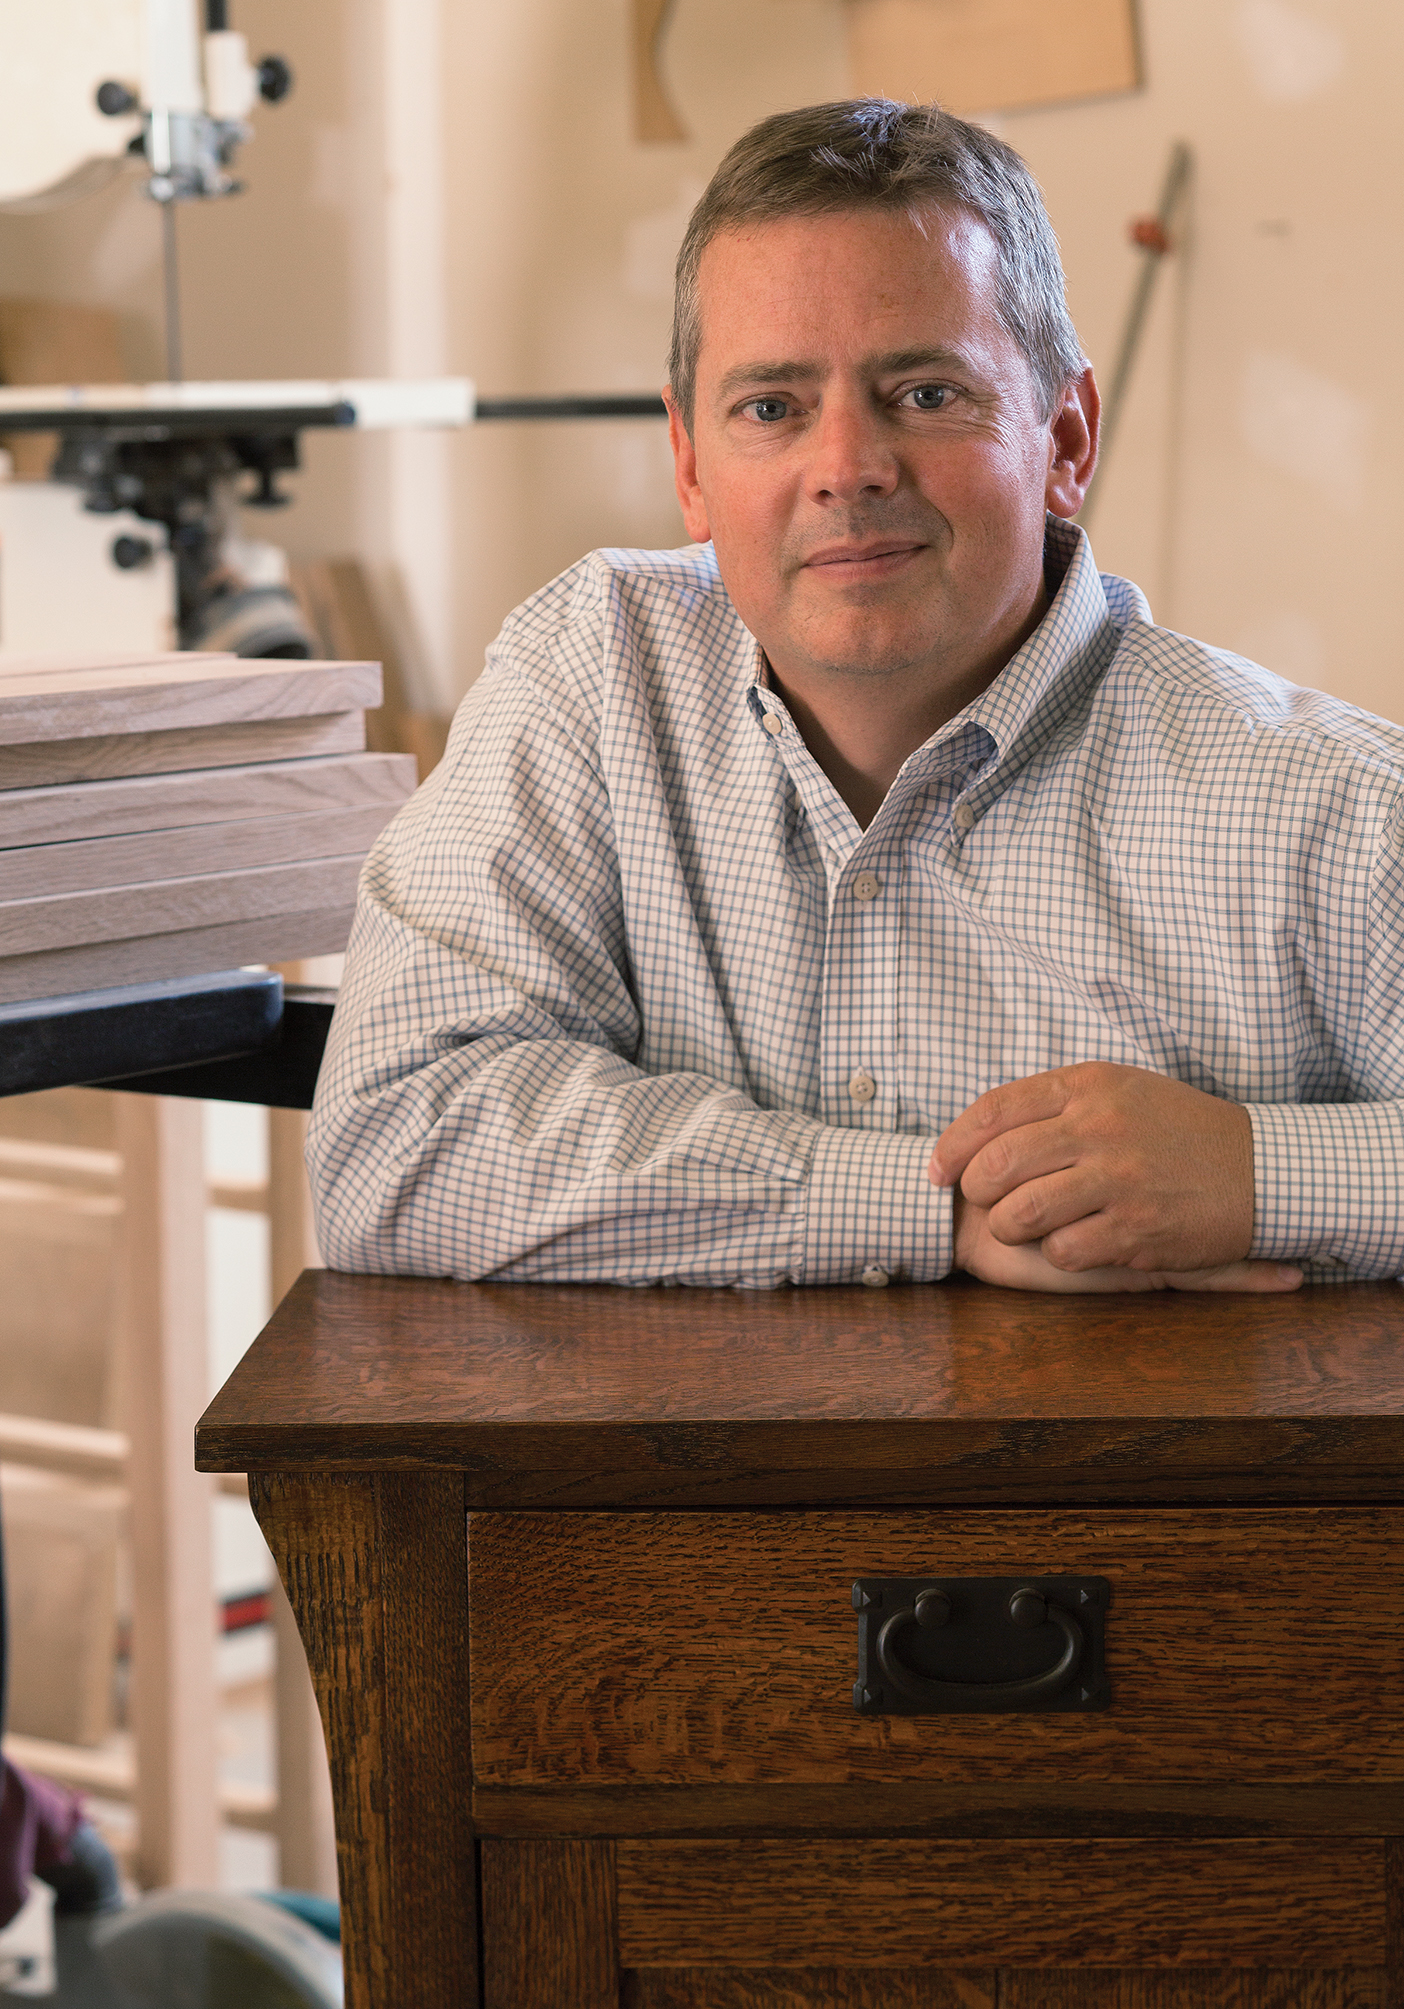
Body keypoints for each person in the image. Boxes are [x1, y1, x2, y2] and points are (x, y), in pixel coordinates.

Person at [308, 100, 1404, 1295]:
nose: (846, 470)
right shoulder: (592, 675)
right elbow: (390, 1143)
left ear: (1068, 439)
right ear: (689, 465)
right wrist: (920, 1214)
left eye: (926, 394)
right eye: (771, 408)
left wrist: (1257, 1172)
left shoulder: (1328, 809)